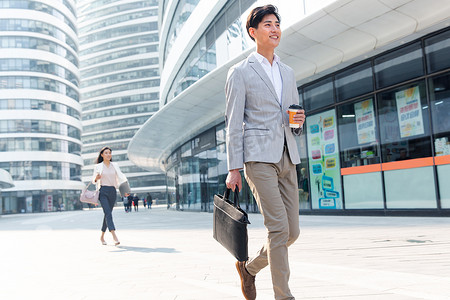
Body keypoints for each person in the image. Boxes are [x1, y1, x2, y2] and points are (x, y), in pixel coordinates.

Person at [225, 5, 305, 300]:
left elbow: (293, 115)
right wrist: (234, 167)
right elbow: (233, 123)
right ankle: (284, 295)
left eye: (277, 24)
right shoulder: (240, 72)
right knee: (277, 228)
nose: (274, 29)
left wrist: (298, 121)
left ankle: (249, 269)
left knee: (291, 232)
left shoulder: (288, 71)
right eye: (268, 25)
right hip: (258, 157)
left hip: (287, 155)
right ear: (253, 32)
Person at [93, 146, 128, 246]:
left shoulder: (115, 165)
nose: (108, 154)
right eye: (106, 153)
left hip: (113, 191)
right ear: (102, 155)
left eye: (110, 153)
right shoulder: (98, 166)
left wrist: (125, 190)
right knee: (108, 213)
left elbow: (121, 177)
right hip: (103, 191)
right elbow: (93, 180)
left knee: (107, 214)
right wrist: (96, 178)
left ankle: (102, 236)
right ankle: (114, 235)